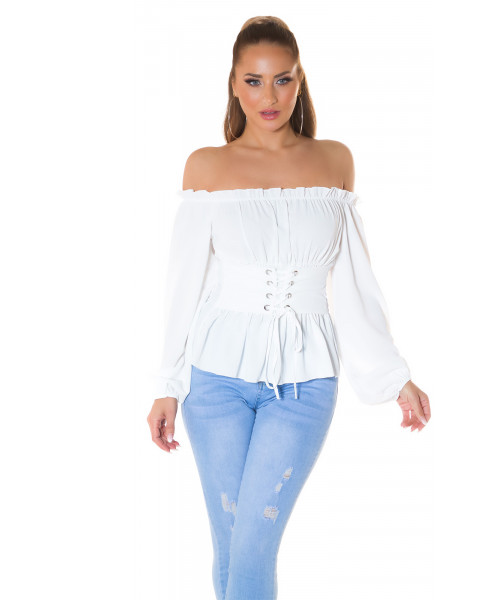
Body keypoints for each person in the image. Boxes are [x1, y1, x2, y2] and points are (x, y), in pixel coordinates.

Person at [147, 15, 431, 600]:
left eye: (282, 79)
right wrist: (168, 384)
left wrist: (392, 374)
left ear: (300, 81)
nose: (268, 96)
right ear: (234, 85)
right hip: (215, 381)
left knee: (253, 544)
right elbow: (183, 284)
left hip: (305, 385)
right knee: (231, 543)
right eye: (253, 81)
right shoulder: (207, 166)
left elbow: (352, 281)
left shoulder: (334, 161)